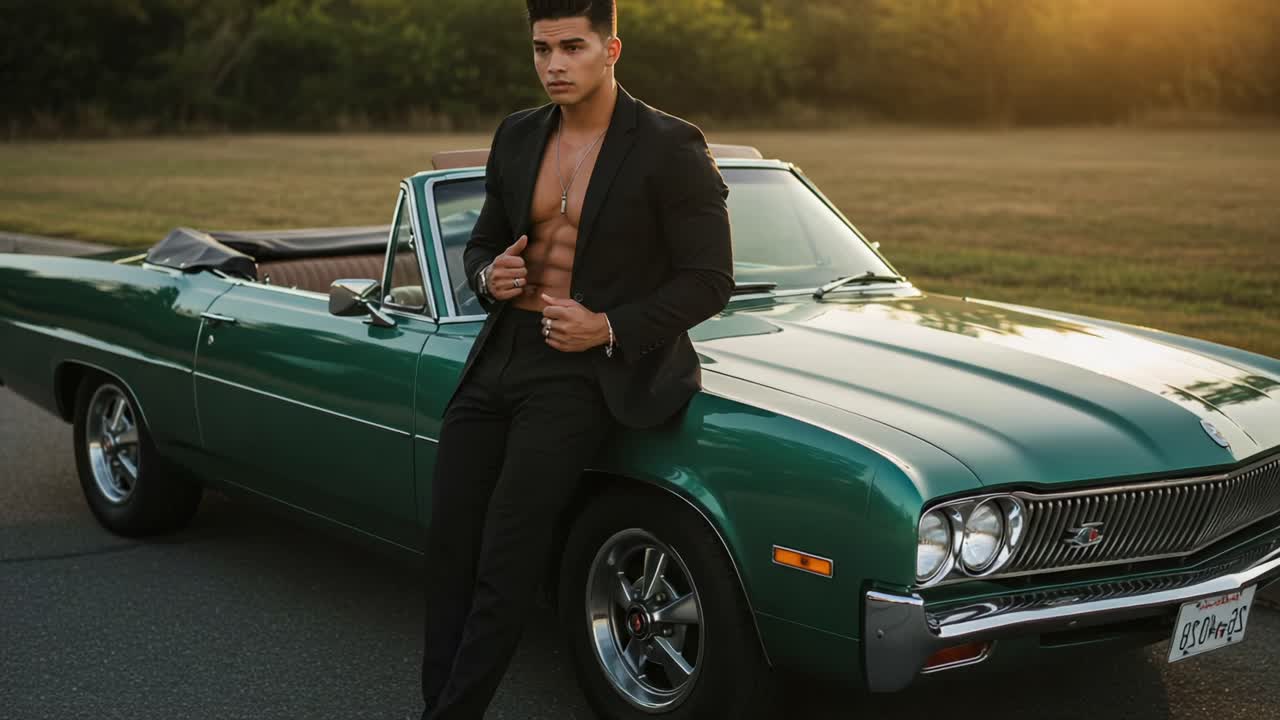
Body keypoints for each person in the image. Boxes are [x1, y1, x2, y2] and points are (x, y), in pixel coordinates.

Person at [420, 0, 733, 717]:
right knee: (449, 551)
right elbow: (483, 241)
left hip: (582, 372)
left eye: (571, 47)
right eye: (541, 49)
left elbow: (711, 278)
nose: (554, 65)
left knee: (506, 557)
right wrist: (484, 276)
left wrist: (609, 328)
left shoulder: (669, 145)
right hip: (500, 355)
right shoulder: (518, 134)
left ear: (611, 49)